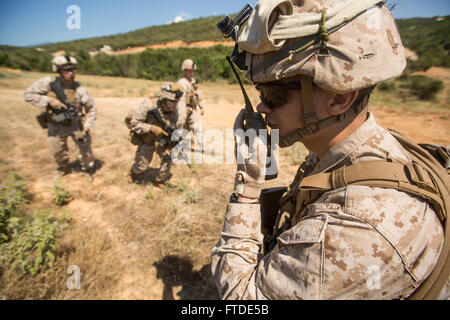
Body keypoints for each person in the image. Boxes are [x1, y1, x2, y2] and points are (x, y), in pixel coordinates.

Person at [211, 0, 447, 299]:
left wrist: (247, 186)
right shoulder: (339, 150)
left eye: (273, 93)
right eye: (260, 92)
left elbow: (242, 299)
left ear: (338, 98)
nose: (262, 106)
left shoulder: (361, 224)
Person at [24, 55, 97, 178]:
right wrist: (49, 100)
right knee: (58, 151)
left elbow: (92, 109)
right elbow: (28, 95)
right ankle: (63, 168)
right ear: (57, 70)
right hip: (56, 125)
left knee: (85, 150)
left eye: (72, 69)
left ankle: (87, 170)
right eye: (66, 70)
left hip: (76, 125)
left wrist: (87, 125)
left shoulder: (79, 89)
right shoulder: (48, 83)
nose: (70, 73)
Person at [127, 83, 184, 184]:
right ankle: (133, 174)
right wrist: (151, 128)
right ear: (164, 99)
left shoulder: (175, 111)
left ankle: (159, 181)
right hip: (147, 139)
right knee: (142, 166)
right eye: (173, 101)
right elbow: (134, 124)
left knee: (168, 159)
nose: (176, 104)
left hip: (163, 140)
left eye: (177, 101)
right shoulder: (148, 105)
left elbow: (176, 128)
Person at [177, 59, 204, 151]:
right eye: (190, 71)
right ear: (185, 70)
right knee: (182, 130)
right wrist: (182, 114)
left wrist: (201, 107)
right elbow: (181, 100)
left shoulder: (192, 81)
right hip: (184, 109)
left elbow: (197, 95)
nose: (192, 73)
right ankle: (179, 148)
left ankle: (202, 147)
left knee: (197, 128)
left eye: (193, 71)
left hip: (192, 110)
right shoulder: (181, 83)